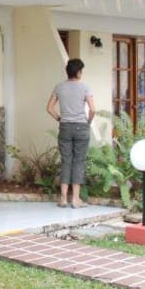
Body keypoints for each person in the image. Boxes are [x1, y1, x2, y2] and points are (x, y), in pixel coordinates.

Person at [46, 58, 96, 208]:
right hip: (81, 127)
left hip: (65, 127)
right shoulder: (85, 87)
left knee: (66, 160)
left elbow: (49, 108)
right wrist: (88, 122)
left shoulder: (59, 87)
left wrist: (60, 119)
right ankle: (75, 199)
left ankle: (63, 199)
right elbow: (93, 109)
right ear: (79, 72)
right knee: (78, 162)